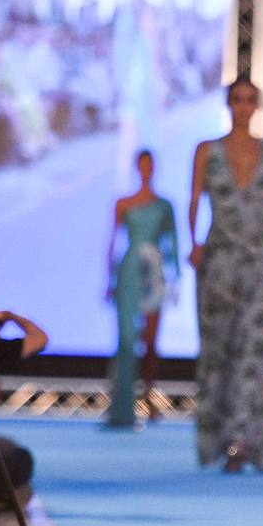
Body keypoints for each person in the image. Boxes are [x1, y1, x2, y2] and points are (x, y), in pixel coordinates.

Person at [189, 79, 263, 473]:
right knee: (217, 350)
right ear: (228, 104)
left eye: (251, 100)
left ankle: (242, 442)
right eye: (237, 100)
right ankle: (213, 441)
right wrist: (193, 244)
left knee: (253, 351)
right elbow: (194, 199)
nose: (244, 107)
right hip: (218, 258)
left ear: (258, 106)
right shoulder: (207, 151)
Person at [105, 149, 179, 428]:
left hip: (154, 273)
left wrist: (174, 280)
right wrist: (109, 279)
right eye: (142, 165)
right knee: (125, 341)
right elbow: (113, 242)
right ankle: (121, 407)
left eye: (150, 165)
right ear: (137, 168)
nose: (146, 169)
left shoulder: (164, 206)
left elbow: (172, 242)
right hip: (129, 271)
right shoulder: (124, 203)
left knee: (150, 341)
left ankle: (147, 398)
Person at [0, 310, 47, 509]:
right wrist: (11, 317)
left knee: (5, 445)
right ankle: (0, 496)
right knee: (20, 457)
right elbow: (40, 338)